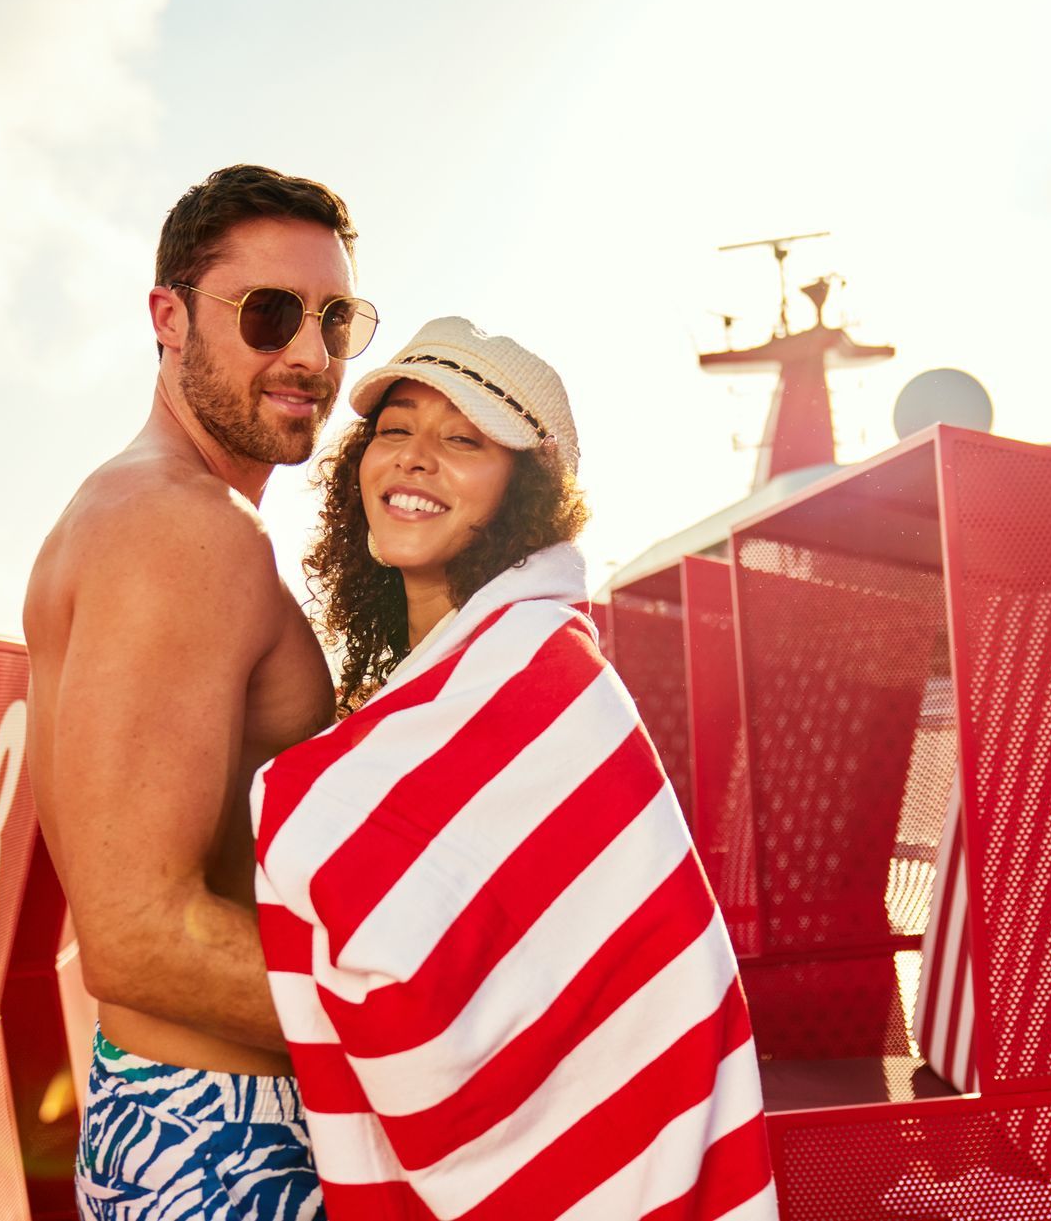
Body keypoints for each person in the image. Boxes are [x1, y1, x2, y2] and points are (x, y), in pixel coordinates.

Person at [251, 317, 778, 1220]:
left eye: (463, 439)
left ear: (524, 494)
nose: (414, 458)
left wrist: (298, 805)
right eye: (394, 428)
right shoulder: (426, 693)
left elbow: (628, 985)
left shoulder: (551, 676)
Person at [23, 164, 378, 1219]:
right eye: (269, 315)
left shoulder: (145, 507)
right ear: (169, 317)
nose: (309, 355)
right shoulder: (181, 529)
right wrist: (430, 1027)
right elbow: (136, 933)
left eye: (336, 320)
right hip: (224, 1136)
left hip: (188, 1121)